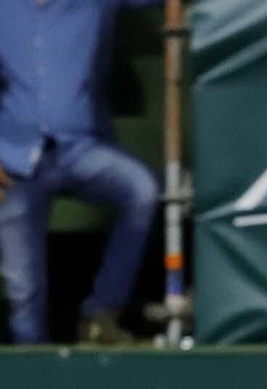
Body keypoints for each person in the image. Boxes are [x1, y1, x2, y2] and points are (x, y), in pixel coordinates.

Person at [0, 0, 162, 345]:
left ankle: (101, 314)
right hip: (15, 160)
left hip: (81, 150)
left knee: (142, 190)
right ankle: (35, 382)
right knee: (23, 290)